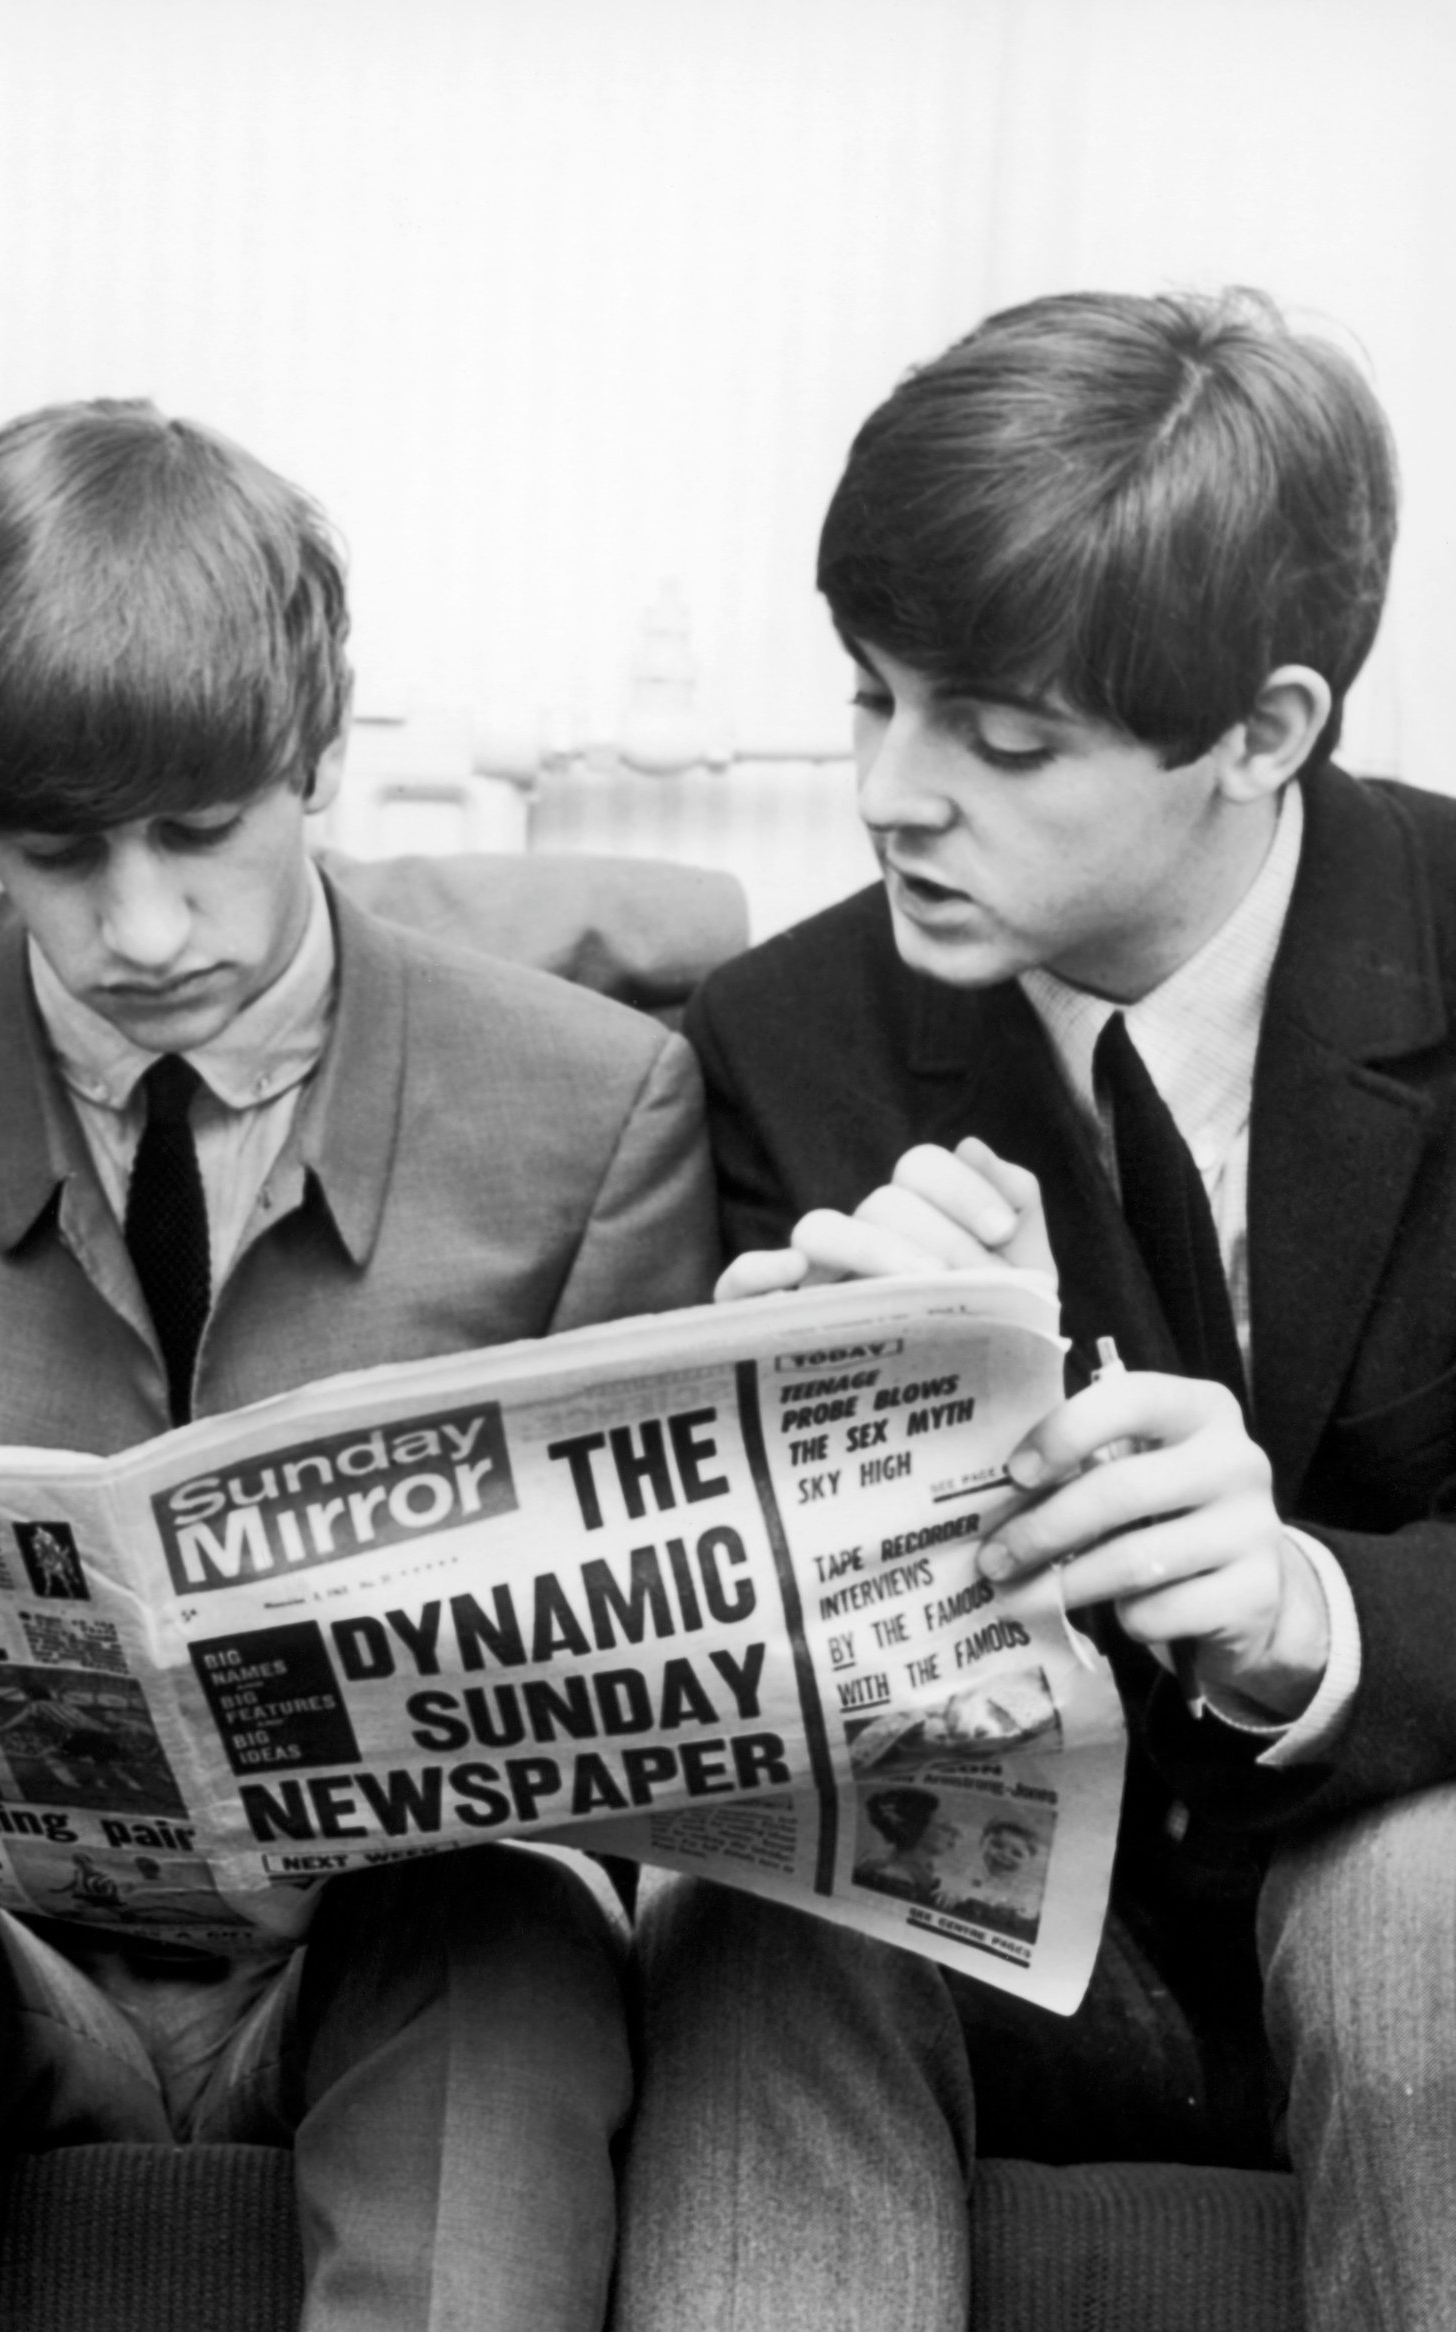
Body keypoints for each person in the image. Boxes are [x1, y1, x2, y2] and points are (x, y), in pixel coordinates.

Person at [0, 397, 718, 2332]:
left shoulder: (598, 1105)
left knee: (508, 1928)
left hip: (377, 1964)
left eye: (204, 830)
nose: (144, 925)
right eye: (58, 853)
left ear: (320, 755)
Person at [614, 288, 1456, 2332]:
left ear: (1264, 730)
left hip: (1381, 1864)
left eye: (998, 740)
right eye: (869, 698)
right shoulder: (784, 1033)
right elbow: (720, 1695)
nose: (895, 791)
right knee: (759, 1898)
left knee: (1424, 1897)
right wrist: (804, 1449)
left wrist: (1299, 1612)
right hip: (987, 1913)